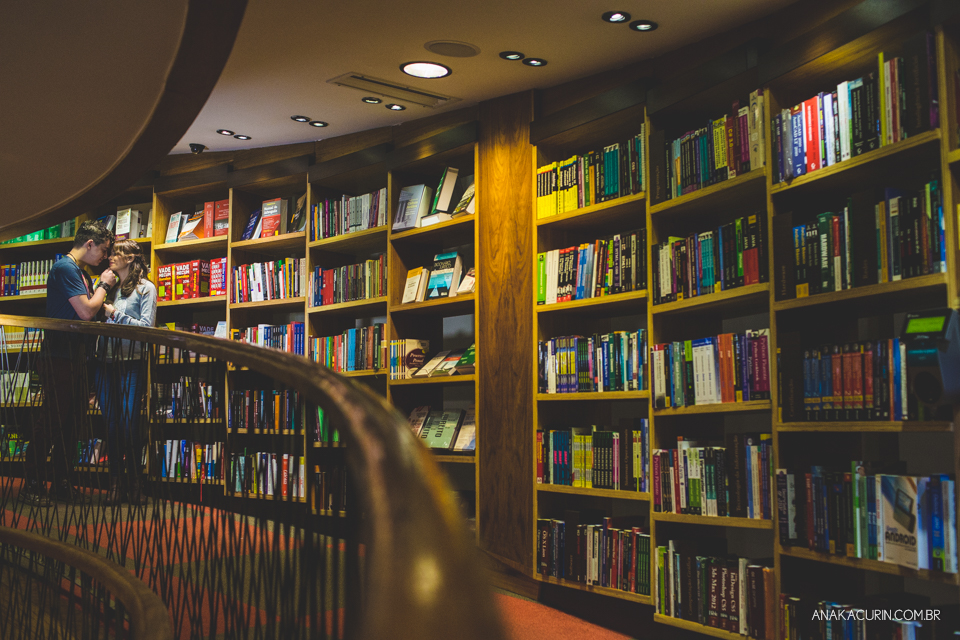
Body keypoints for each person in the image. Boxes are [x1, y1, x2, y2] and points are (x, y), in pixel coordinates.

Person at [21, 220, 116, 507]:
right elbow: (86, 312)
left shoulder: (80, 273)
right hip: (59, 354)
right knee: (52, 419)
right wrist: (103, 287)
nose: (104, 257)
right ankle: (32, 482)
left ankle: (62, 483)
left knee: (73, 423)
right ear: (89, 244)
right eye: (103, 249)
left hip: (76, 356)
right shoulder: (65, 268)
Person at [95, 239, 157, 505]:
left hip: (131, 362)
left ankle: (134, 484)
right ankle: (115, 485)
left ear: (130, 258)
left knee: (129, 423)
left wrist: (113, 314)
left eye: (116, 253)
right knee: (110, 424)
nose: (110, 256)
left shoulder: (146, 289)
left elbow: (147, 327)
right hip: (104, 362)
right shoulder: (108, 288)